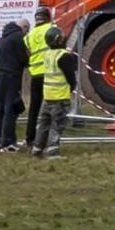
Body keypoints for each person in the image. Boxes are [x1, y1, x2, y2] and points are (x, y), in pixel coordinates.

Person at [24, 11, 75, 156]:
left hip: (38, 75)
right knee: (56, 121)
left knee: (37, 113)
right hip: (56, 83)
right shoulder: (52, 29)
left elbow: (27, 52)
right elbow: (71, 77)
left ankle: (33, 142)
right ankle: (52, 148)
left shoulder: (29, 35)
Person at [0, 11, 28, 150]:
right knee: (10, 110)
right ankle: (7, 143)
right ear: (24, 27)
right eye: (27, 29)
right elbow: (23, 58)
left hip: (0, 80)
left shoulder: (2, 40)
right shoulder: (18, 37)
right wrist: (27, 61)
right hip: (12, 77)